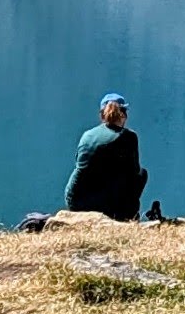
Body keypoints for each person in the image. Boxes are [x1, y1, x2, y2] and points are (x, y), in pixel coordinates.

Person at [63, 93, 149, 221]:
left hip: (74, 199)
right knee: (141, 175)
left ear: (102, 115)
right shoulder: (128, 137)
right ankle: (127, 217)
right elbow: (134, 172)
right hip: (99, 205)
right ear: (124, 115)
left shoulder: (87, 135)